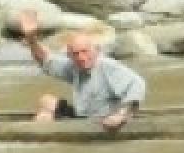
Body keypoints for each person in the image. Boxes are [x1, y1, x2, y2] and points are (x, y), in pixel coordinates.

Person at [17, 10, 146, 130]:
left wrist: (121, 115)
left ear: (96, 50)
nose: (81, 57)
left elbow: (137, 84)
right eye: (76, 54)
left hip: (106, 122)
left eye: (85, 52)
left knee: (45, 117)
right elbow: (45, 59)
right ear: (70, 56)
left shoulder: (107, 66)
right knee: (46, 101)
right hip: (83, 118)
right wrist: (31, 39)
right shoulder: (75, 66)